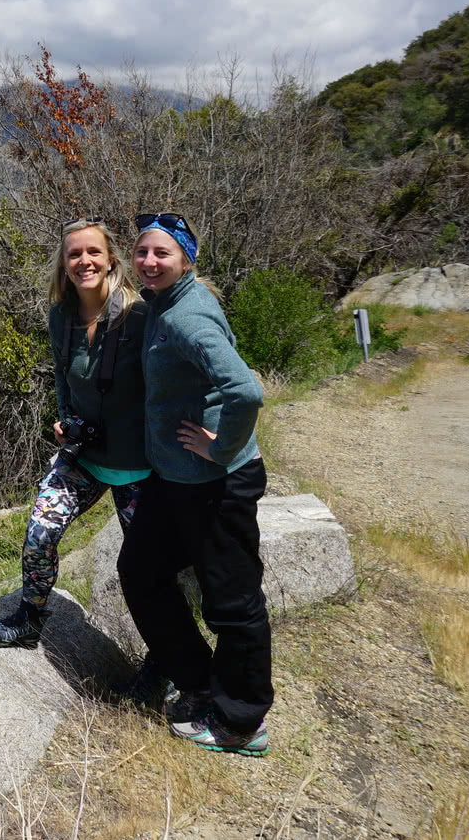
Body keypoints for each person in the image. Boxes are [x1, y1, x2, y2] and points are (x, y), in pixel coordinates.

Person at [118, 212, 272, 757]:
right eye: (142, 252)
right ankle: (201, 681)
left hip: (215, 482)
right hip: (175, 481)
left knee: (231, 602)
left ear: (185, 258)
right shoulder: (161, 307)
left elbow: (245, 391)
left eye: (162, 253)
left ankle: (241, 723)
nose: (149, 261)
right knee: (140, 570)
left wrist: (221, 445)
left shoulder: (187, 317)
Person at [0, 218, 151, 650]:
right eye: (74, 254)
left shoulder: (140, 315)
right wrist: (65, 417)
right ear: (64, 262)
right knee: (40, 533)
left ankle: (167, 660)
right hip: (85, 456)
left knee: (149, 568)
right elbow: (60, 372)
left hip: (138, 465)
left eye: (93, 251)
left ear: (111, 257)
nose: (84, 261)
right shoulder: (61, 316)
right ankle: (30, 618)